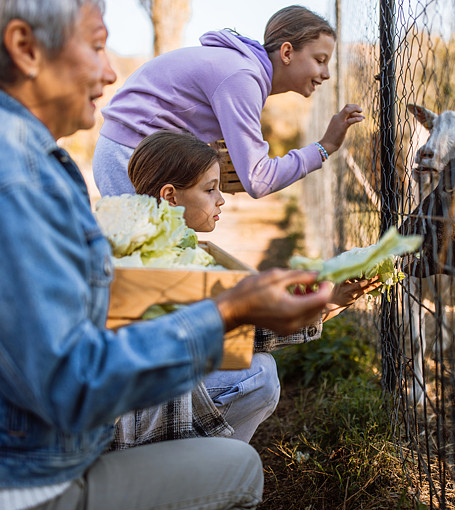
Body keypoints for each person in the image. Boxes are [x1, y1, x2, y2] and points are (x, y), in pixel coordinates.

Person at [0, 2, 335, 510]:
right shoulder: (7, 182)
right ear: (25, 48)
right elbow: (74, 385)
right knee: (238, 474)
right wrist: (227, 313)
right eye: (95, 45)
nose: (111, 72)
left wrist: (261, 315)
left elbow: (87, 319)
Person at [111, 130, 380, 449]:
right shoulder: (159, 264)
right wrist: (324, 302)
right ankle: (201, 474)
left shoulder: (161, 243)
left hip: (134, 397)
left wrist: (327, 303)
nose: (221, 199)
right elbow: (236, 336)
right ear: (170, 196)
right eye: (210, 189)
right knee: (259, 375)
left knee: (255, 366)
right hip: (129, 419)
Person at [93, 5, 365, 199]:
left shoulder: (244, 71)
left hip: (133, 152)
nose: (327, 74)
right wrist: (324, 147)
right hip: (128, 156)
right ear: (286, 52)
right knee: (148, 266)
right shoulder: (243, 78)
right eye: (320, 60)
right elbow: (259, 180)